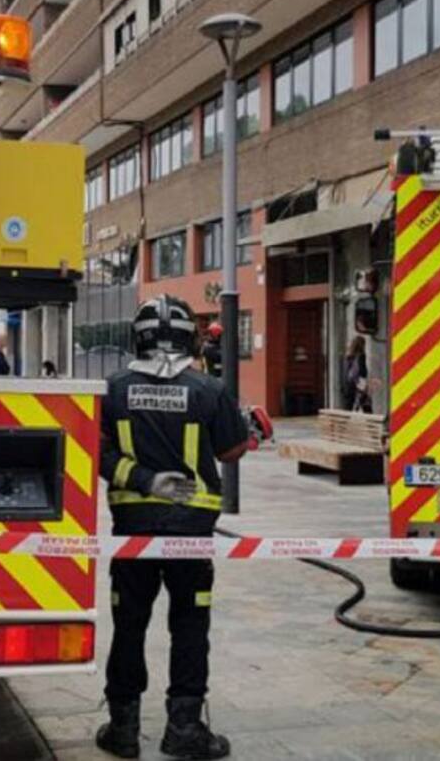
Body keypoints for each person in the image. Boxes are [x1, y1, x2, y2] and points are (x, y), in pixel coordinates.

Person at [96, 295, 249, 760]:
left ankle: (123, 729)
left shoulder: (113, 389)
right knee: (189, 623)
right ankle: (183, 729)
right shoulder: (209, 389)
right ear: (191, 337)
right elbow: (231, 451)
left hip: (134, 528)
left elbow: (95, 453)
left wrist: (143, 480)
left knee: (129, 623)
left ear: (136, 337)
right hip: (190, 532)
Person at [342, 335, 372, 413]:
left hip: (348, 384)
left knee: (347, 407)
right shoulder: (361, 355)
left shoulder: (348, 356)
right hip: (359, 383)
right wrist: (364, 385)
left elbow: (346, 372)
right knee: (366, 404)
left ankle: (344, 423)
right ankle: (370, 423)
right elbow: (362, 371)